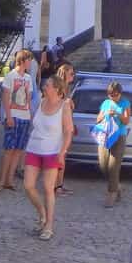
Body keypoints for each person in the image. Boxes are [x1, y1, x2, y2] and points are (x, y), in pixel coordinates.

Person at [23, 76, 74, 240]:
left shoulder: (64, 106)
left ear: (57, 89)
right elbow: (34, 122)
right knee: (28, 186)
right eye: (45, 84)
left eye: (48, 85)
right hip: (34, 148)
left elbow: (68, 131)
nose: (45, 86)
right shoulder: (41, 101)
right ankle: (42, 212)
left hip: (52, 151)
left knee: (47, 188)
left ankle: (49, 226)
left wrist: (62, 152)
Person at [0, 50, 34, 191]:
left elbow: (29, 98)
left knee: (18, 150)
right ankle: (1, 180)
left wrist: (30, 115)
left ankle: (9, 180)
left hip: (24, 117)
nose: (31, 63)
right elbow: (5, 97)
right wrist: (8, 116)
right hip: (13, 115)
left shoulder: (29, 78)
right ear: (23, 60)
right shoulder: (10, 76)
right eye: (29, 60)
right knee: (9, 150)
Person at [96, 81, 131, 207]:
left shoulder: (125, 103)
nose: (113, 97)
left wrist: (117, 113)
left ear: (120, 94)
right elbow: (98, 119)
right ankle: (117, 186)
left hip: (119, 135)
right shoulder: (105, 103)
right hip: (105, 136)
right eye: (110, 95)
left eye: (115, 95)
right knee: (103, 165)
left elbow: (127, 121)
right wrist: (105, 114)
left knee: (113, 166)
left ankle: (111, 193)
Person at [52, 60, 77, 195]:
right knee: (59, 155)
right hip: (59, 126)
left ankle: (59, 184)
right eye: (71, 73)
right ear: (65, 74)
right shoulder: (59, 89)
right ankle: (55, 186)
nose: (73, 76)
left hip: (65, 125)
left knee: (63, 155)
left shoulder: (67, 88)